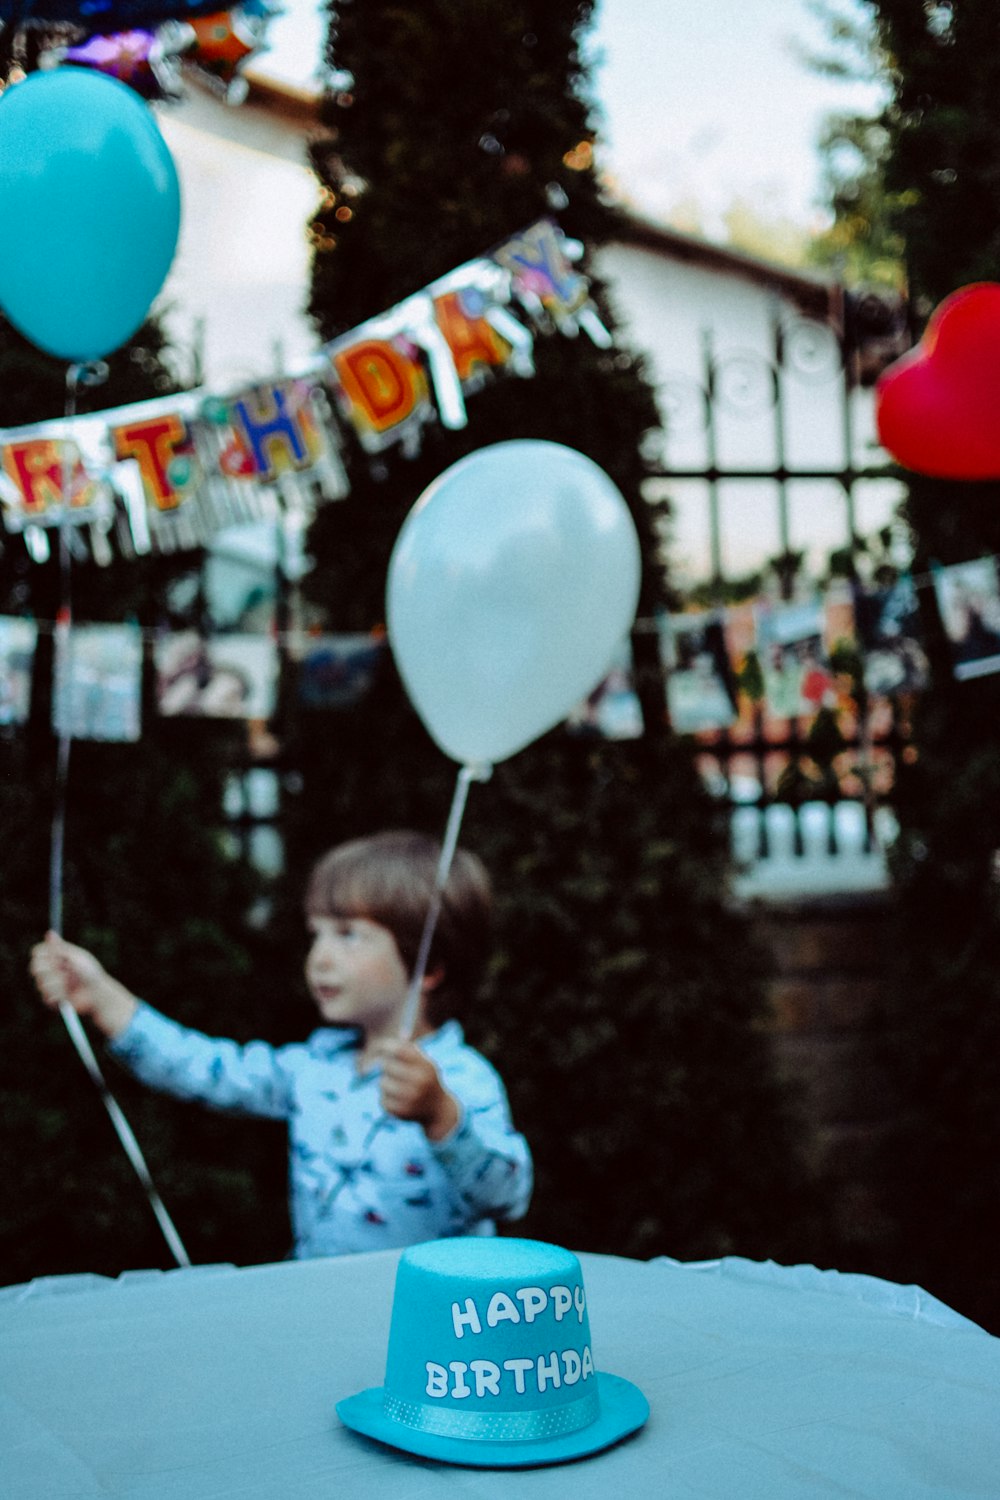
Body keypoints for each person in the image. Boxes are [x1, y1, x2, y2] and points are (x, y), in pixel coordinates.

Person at [30, 830, 532, 1259]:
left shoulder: (462, 1079)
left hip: (425, 1337)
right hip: (320, 1316)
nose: (319, 957)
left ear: (430, 968)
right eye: (316, 934)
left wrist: (441, 1116)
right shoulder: (312, 1066)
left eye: (348, 935)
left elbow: (509, 1195)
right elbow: (207, 1070)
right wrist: (102, 998)